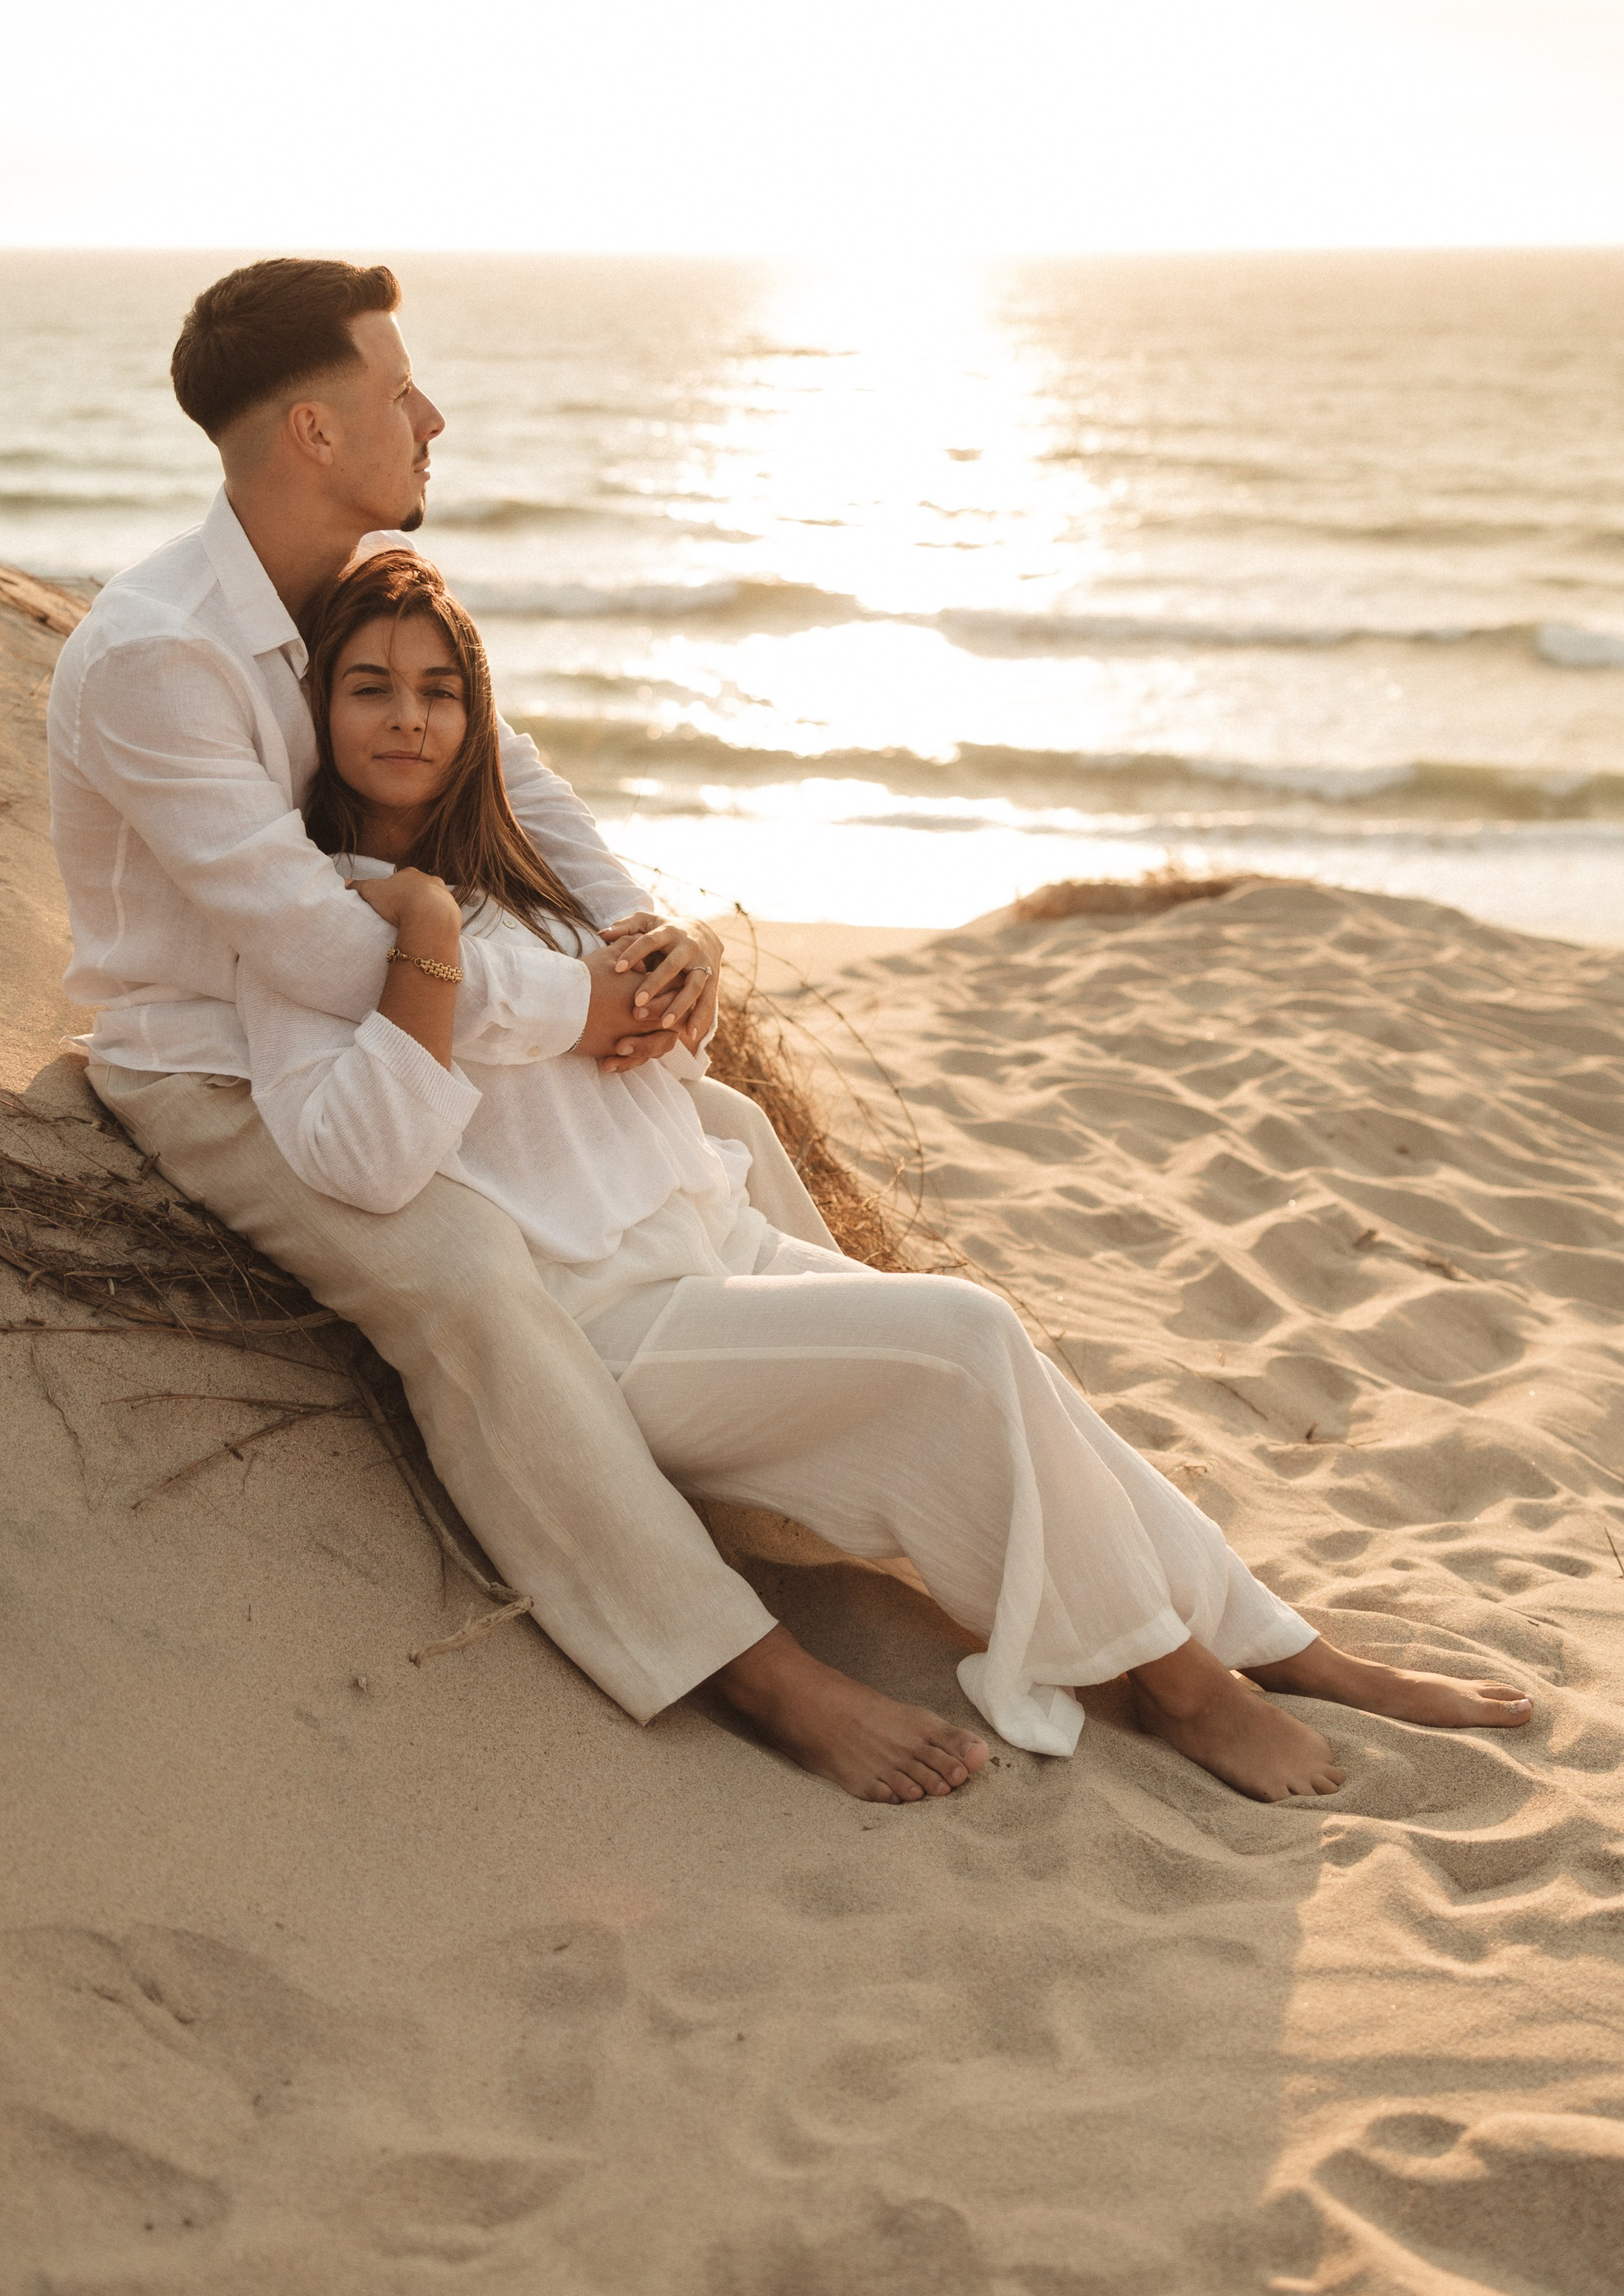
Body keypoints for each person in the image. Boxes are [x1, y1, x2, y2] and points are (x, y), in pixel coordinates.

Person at [226, 537, 1538, 1806]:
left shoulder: (524, 869)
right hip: (607, 1320)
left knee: (1014, 1374)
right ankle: (1185, 1686)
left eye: (440, 691)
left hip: (713, 1240)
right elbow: (370, 1158)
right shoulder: (332, 916)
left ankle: (1282, 1645)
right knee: (963, 1333)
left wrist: (664, 986)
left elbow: (651, 1061)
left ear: (477, 716)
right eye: (370, 688)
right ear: (319, 710)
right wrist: (444, 945)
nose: (409, 719)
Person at [46, 256, 999, 1804]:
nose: (431, 416)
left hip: (401, 1019)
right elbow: (302, 942)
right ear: (309, 429)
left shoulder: (341, 598)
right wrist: (575, 1008)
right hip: (225, 1056)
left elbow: (528, 792)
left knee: (723, 1130)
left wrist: (651, 946)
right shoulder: (162, 655)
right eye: (395, 391)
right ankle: (745, 1665)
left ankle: (829, 1459)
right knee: (467, 1271)